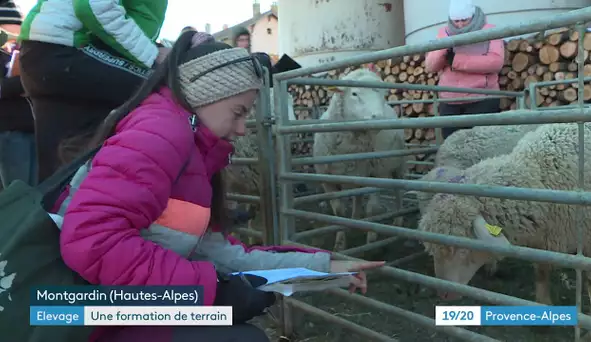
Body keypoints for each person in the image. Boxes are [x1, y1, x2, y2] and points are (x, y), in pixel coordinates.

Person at [54, 30, 384, 341]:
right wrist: (207, 290)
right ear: (204, 94)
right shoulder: (160, 135)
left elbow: (221, 255)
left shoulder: (189, 152)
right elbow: (92, 239)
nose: (242, 129)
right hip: (73, 311)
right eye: (238, 112)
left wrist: (324, 268)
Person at [17, 0, 172, 184]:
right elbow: (93, 6)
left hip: (44, 50)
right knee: (157, 88)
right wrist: (152, 55)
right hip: (65, 48)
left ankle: (48, 209)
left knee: (55, 174)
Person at [424, 0, 504, 140]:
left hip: (481, 98)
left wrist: (456, 60)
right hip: (449, 102)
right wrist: (443, 48)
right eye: (455, 20)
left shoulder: (491, 31)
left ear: (472, 15)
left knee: (481, 145)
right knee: (452, 148)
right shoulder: (444, 33)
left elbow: (495, 62)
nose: (459, 24)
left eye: (464, 20)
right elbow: (430, 66)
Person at [0, 1, 36, 189]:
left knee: (36, 192)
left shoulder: (26, 51)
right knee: (17, 192)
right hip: (9, 131)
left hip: (34, 128)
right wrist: (24, 81)